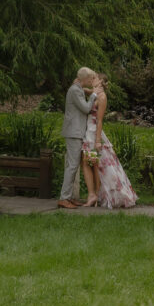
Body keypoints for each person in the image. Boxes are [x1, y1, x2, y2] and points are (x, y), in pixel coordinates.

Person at [82, 73, 137, 209]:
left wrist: (98, 140)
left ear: (100, 81)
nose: (91, 79)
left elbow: (100, 120)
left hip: (94, 132)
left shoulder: (102, 97)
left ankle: (99, 195)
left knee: (96, 164)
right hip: (88, 131)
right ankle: (95, 195)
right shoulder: (94, 93)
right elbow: (86, 90)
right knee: (92, 164)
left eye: (94, 78)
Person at [58, 67, 97, 210]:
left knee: (73, 165)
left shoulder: (77, 88)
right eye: (90, 78)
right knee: (72, 165)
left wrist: (87, 91)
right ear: (84, 79)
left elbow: (80, 92)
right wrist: (93, 96)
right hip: (74, 132)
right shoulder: (75, 90)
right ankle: (64, 198)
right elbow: (86, 108)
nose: (91, 81)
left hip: (76, 131)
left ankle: (68, 197)